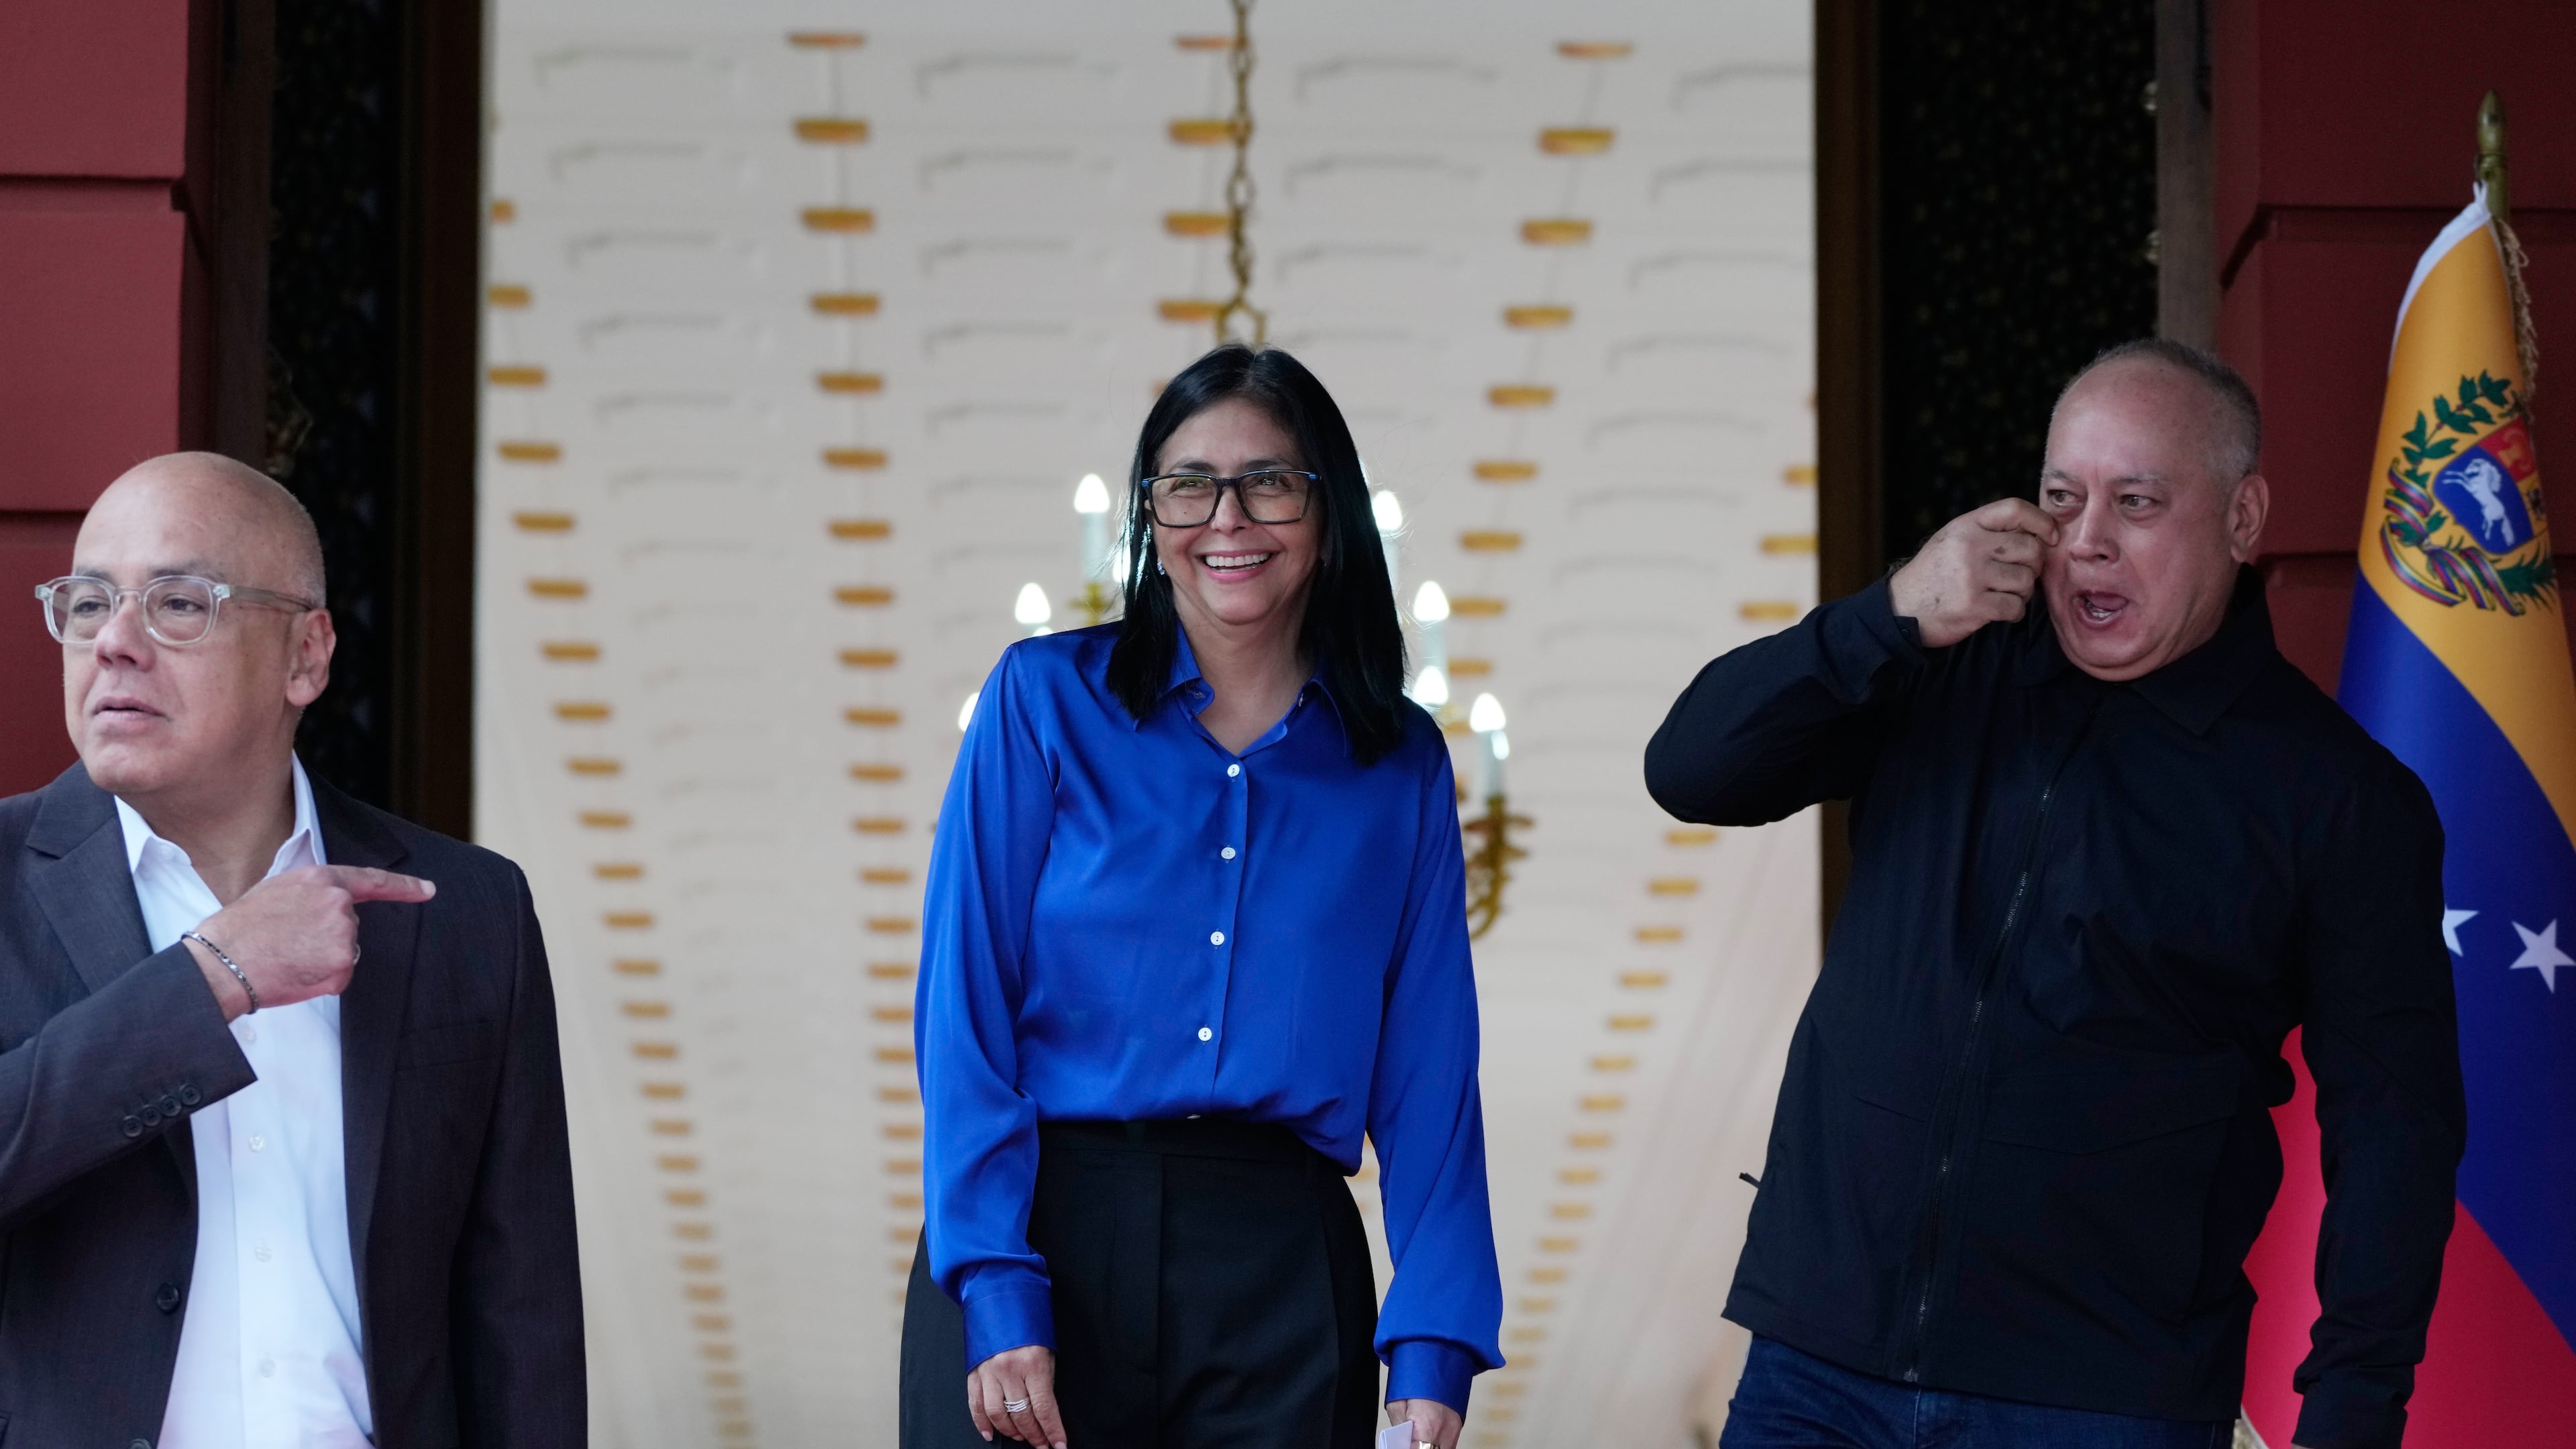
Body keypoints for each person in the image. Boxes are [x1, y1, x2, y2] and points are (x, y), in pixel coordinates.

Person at [1646, 341, 2464, 1449]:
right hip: (1816, 1370)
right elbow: (1692, 769)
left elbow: (2395, 1134)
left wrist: (2352, 1414)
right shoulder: (1938, 665)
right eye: (2061, 497)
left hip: (2101, 1403)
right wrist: (1886, 616)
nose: (2085, 541)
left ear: (2242, 516)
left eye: (2137, 502)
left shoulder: (2339, 798)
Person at [902, 345, 1503, 1449]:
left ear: (1329, 519)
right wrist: (993, 1283)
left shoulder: (1401, 766)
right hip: (1048, 1233)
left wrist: (1435, 1345)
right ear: (1151, 517)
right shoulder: (1041, 703)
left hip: (1285, 1273)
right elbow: (965, 1014)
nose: (1228, 517)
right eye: (1189, 484)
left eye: (1270, 481)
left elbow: (1431, 1073)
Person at [0, 453, 584, 1446]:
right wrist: (207, 981)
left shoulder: (467, 909)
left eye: (179, 604)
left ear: (305, 657)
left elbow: (518, 1311)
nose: (116, 644)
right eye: (89, 604)